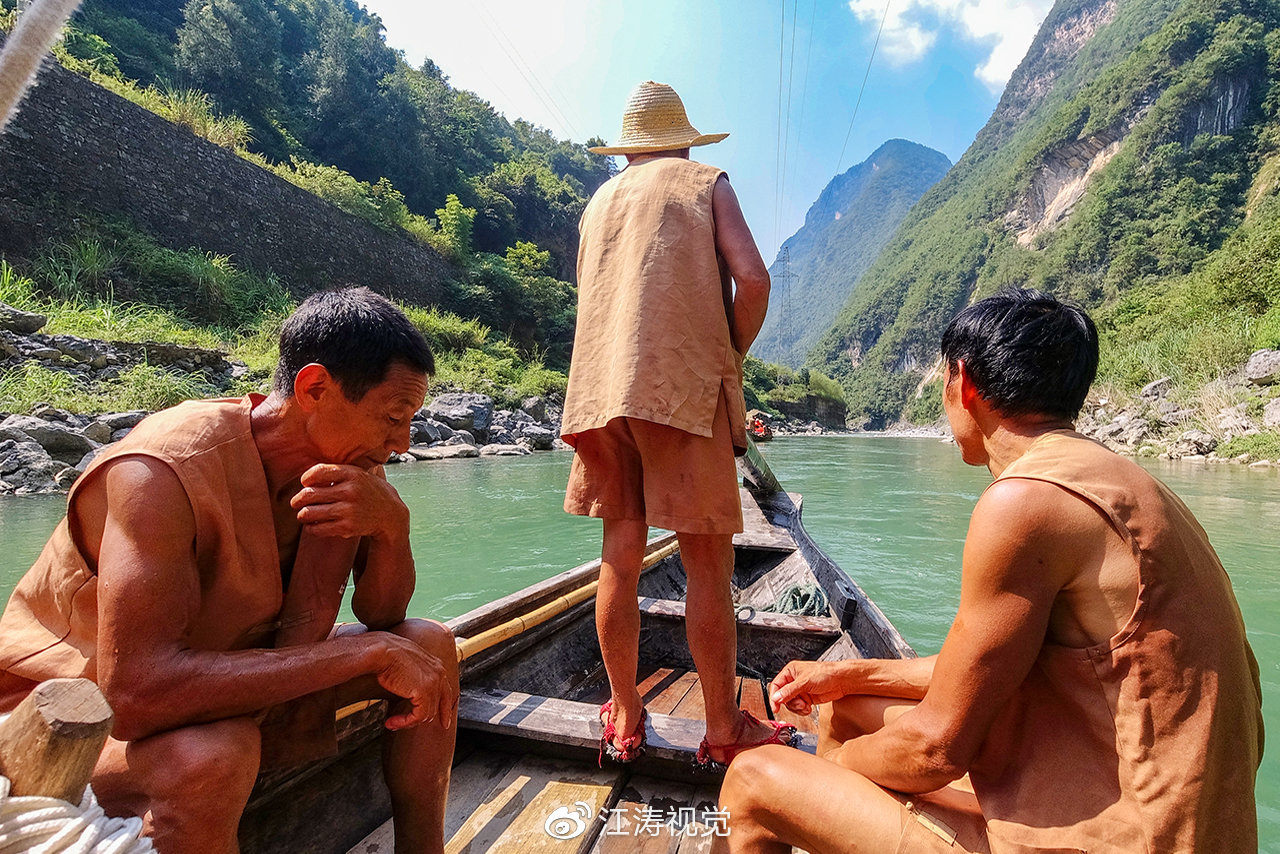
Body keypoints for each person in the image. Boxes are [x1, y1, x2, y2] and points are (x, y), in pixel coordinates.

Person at [719, 287, 1263, 853]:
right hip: (1158, 812)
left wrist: (831, 769)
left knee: (753, 782)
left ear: (963, 382)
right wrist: (847, 677)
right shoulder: (1125, 483)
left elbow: (935, 750)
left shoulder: (1025, 501)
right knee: (848, 711)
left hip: (1124, 839)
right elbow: (985, 668)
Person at [0, 287, 460, 854]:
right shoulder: (160, 472)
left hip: (233, 686)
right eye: (392, 418)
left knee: (429, 646)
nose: (403, 442)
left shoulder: (350, 468)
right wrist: (363, 655)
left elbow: (383, 613)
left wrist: (392, 526)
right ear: (315, 389)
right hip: (70, 724)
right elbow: (135, 695)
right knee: (214, 755)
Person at [560, 80, 791, 767]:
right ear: (684, 143)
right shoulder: (704, 181)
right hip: (681, 388)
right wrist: (729, 354)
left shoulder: (597, 203)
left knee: (619, 557)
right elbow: (753, 282)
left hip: (600, 391)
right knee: (708, 566)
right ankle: (722, 727)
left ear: (628, 149)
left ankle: (625, 710)